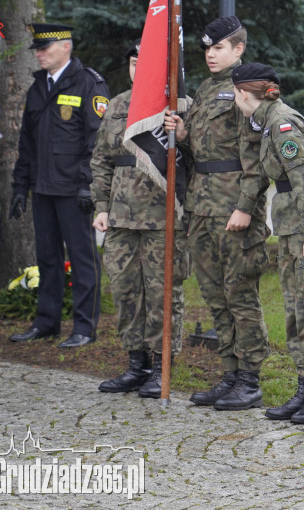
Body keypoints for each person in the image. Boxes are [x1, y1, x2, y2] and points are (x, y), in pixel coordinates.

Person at [163, 16, 270, 411]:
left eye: (219, 48)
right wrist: (185, 135)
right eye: (207, 48)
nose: (211, 54)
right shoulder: (207, 90)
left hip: (233, 208)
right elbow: (202, 154)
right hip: (202, 207)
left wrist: (246, 208)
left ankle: (251, 378)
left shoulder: (249, 89)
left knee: (240, 294)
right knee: (215, 296)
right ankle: (230, 372)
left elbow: (258, 158)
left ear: (238, 49)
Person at [231, 62, 304, 426]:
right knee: (295, 312)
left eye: (235, 94)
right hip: (293, 227)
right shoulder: (267, 122)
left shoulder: (281, 123)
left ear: (244, 93)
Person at [92, 40, 188, 398]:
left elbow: (192, 160)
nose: (138, 71)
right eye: (134, 64)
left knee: (162, 294)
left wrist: (181, 132)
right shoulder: (118, 105)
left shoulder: (180, 108)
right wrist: (100, 206)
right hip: (119, 217)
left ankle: (162, 365)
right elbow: (101, 158)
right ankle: (137, 364)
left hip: (163, 218)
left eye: (145, 65)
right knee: (125, 291)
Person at [10, 23, 109, 348]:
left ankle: (84, 327)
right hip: (42, 187)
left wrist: (87, 186)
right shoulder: (38, 87)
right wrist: (19, 187)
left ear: (66, 46)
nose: (39, 54)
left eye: (45, 48)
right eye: (37, 49)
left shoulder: (88, 84)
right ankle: (47, 321)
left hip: (73, 190)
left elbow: (95, 142)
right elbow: (27, 144)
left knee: (82, 258)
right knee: (48, 257)